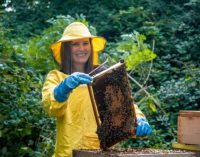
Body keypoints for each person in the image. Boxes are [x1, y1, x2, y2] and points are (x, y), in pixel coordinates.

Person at [42, 22, 152, 157]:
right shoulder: (56, 77)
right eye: (75, 44)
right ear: (66, 49)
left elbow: (124, 104)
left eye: (85, 43)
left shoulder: (105, 74)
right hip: (68, 153)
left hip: (103, 152)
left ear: (91, 46)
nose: (81, 48)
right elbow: (51, 105)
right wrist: (64, 87)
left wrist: (138, 119)